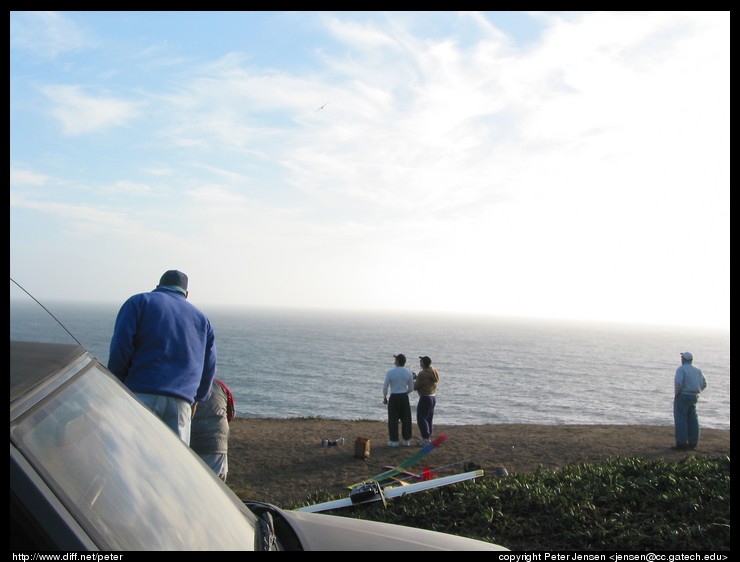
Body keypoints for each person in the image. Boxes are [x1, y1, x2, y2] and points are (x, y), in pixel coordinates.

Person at [108, 270, 217, 445]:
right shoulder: (202, 320)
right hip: (181, 403)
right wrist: (197, 399)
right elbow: (209, 367)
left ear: (158, 286)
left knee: (131, 458)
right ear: (186, 294)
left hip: (141, 393)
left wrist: (117, 379)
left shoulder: (139, 302)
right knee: (173, 464)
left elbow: (121, 345)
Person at [190, 378, 235, 481]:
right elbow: (230, 414)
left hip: (193, 440)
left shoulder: (186, 382)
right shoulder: (220, 386)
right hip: (217, 442)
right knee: (216, 486)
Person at [673, 351, 707, 451]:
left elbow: (679, 383)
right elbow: (704, 384)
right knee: (693, 419)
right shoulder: (697, 370)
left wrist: (677, 393)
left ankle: (681, 443)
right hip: (694, 396)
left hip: (683, 395)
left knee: (681, 419)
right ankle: (693, 443)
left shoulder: (681, 369)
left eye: (682, 357)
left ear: (684, 359)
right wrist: (697, 391)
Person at [382, 353, 414, 447]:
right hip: (404, 396)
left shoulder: (390, 372)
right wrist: (405, 393)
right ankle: (406, 440)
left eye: (395, 359)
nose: (394, 360)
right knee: (406, 419)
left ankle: (394, 440)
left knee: (393, 419)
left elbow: (385, 387)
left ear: (397, 361)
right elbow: (411, 388)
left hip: (394, 396)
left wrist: (385, 397)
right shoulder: (408, 372)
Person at [414, 355, 440, 447]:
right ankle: (428, 437)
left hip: (425, 397)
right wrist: (418, 378)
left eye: (421, 361)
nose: (420, 363)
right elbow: (427, 380)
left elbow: (415, 387)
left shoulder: (422, 374)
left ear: (423, 364)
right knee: (429, 418)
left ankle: (425, 439)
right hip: (433, 396)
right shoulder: (434, 370)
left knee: (421, 418)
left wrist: (414, 379)